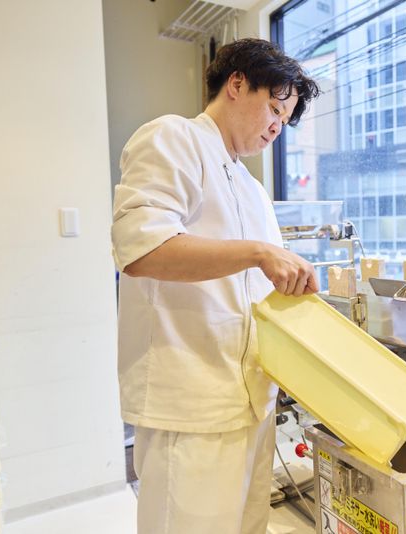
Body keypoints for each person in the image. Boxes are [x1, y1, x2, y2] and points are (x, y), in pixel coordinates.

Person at [111, 38, 320, 534]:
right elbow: (140, 250)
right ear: (237, 83)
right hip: (191, 400)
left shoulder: (252, 189)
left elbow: (258, 294)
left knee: (248, 525)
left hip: (251, 401)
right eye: (274, 108)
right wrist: (259, 253)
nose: (277, 127)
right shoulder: (173, 138)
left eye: (285, 120)